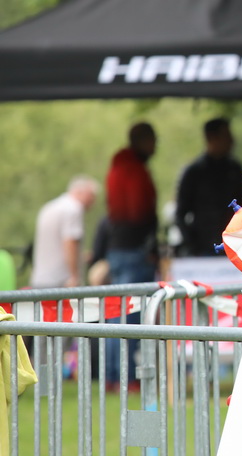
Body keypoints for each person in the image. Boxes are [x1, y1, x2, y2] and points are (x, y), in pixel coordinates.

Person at [104, 121, 158, 392]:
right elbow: (137, 210)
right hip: (134, 249)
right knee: (128, 316)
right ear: (143, 141)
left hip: (117, 247)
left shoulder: (116, 168)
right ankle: (125, 378)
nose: (156, 146)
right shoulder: (134, 170)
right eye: (153, 140)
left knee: (116, 314)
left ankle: (112, 376)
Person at [175, 117, 242, 256]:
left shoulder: (234, 169)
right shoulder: (194, 172)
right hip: (203, 247)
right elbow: (180, 213)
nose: (231, 141)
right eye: (226, 136)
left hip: (234, 244)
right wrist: (191, 244)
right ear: (212, 138)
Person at [29, 175, 99, 288]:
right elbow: (70, 243)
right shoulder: (73, 209)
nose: (93, 201)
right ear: (81, 191)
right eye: (91, 195)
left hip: (40, 279)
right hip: (61, 282)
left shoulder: (49, 207)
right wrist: (74, 277)